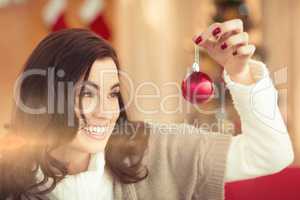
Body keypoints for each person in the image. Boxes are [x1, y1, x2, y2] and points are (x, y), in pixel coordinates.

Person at [0, 19, 294, 200]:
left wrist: (240, 75)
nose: (106, 111)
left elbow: (271, 153)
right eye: (86, 94)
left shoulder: (153, 150)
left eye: (113, 93)